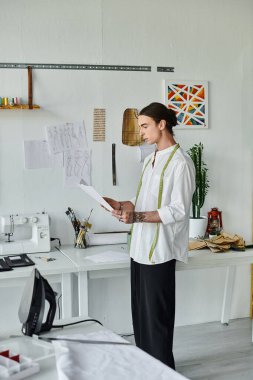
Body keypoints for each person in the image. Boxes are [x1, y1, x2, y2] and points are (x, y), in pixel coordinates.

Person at [103, 102, 195, 369]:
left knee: (157, 323)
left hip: (161, 254)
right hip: (139, 251)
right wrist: (121, 205)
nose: (141, 132)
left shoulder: (181, 163)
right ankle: (145, 370)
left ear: (161, 124)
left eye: (145, 126)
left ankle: (164, 373)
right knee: (141, 321)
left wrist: (137, 217)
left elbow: (178, 210)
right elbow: (141, 199)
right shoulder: (149, 160)